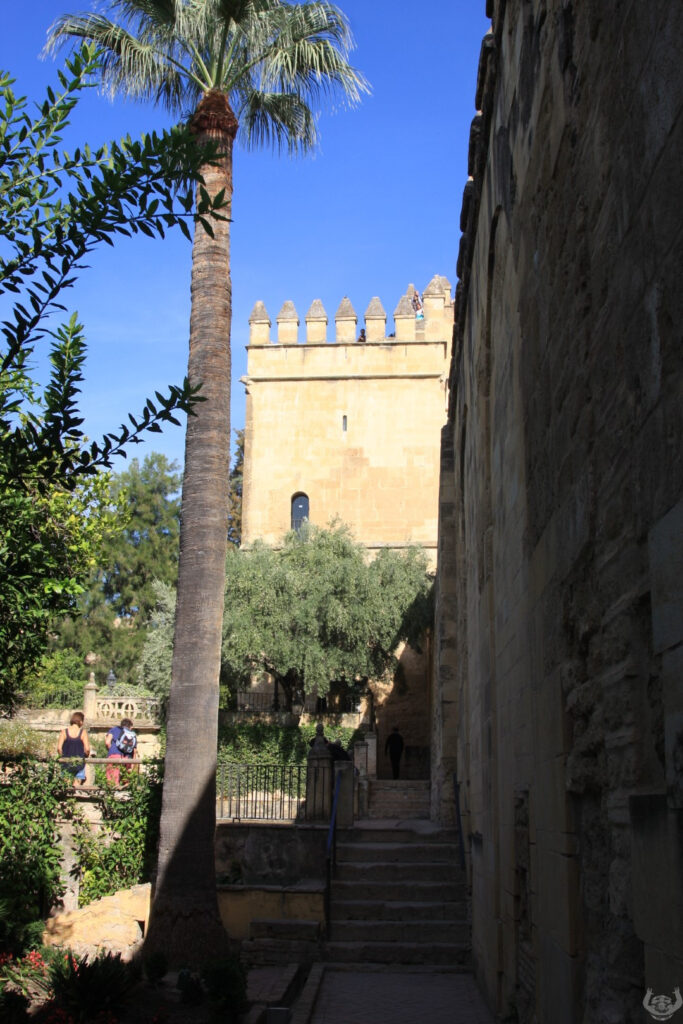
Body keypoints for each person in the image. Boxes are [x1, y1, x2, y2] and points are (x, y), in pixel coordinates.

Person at [58, 711, 90, 787]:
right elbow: (87, 749)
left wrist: (63, 757)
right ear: (81, 721)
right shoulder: (83, 733)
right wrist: (86, 755)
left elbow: (59, 748)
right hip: (79, 764)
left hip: (66, 763)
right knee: (76, 786)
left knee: (66, 786)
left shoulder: (64, 732)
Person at [106, 717, 138, 785]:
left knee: (112, 781)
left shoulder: (114, 729)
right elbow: (134, 751)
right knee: (126, 780)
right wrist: (133, 764)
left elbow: (107, 742)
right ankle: (126, 790)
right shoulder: (133, 734)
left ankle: (113, 791)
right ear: (130, 727)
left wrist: (111, 751)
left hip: (114, 755)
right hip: (127, 758)